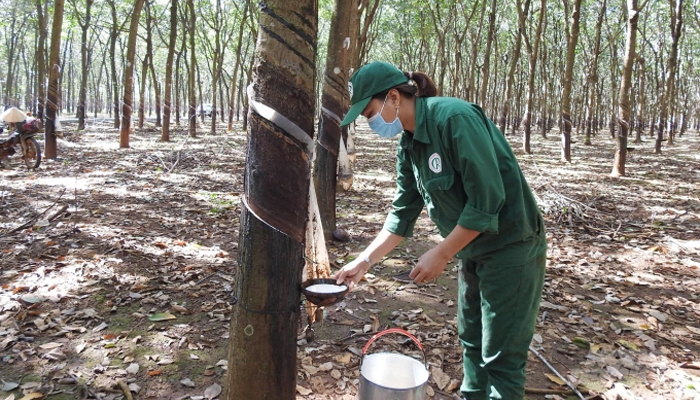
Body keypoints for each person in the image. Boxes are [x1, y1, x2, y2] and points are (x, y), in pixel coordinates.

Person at [333, 61, 547, 400]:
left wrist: (442, 252)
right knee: (473, 340)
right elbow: (401, 215)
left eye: (369, 111)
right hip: (473, 250)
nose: (370, 121)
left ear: (392, 97)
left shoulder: (454, 119)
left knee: (501, 356)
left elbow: (487, 200)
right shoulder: (409, 145)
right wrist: (363, 262)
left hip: (511, 247)